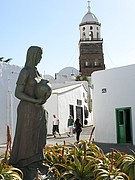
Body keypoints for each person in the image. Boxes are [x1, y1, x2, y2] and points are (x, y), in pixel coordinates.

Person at [9, 46, 51, 180]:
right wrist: (34, 100)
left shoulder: (38, 73)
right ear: (32, 55)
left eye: (41, 55)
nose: (40, 58)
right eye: (39, 55)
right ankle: (24, 163)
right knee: (27, 137)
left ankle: (36, 161)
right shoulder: (25, 71)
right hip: (27, 109)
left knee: (38, 136)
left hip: (38, 109)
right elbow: (17, 93)